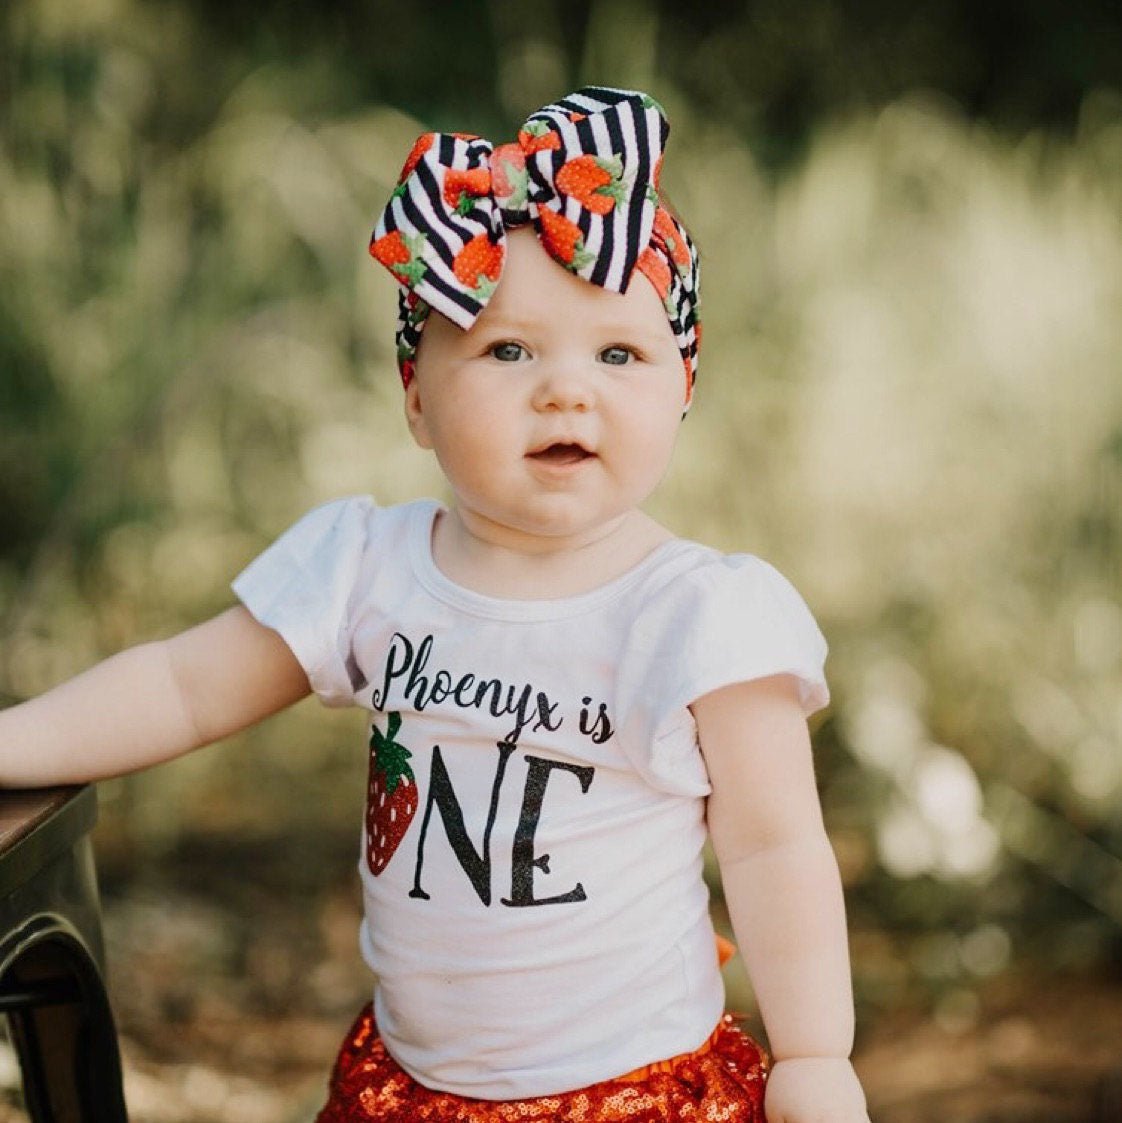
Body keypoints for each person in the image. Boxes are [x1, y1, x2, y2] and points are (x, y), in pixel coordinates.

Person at [0, 87, 869, 1122]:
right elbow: (185, 686)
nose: (564, 389)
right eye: (507, 350)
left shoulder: (698, 617)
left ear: (684, 383)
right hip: (409, 1089)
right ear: (416, 395)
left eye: (618, 353)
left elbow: (776, 848)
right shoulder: (368, 567)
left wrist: (815, 1055)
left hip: (635, 1092)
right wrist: (13, 743)